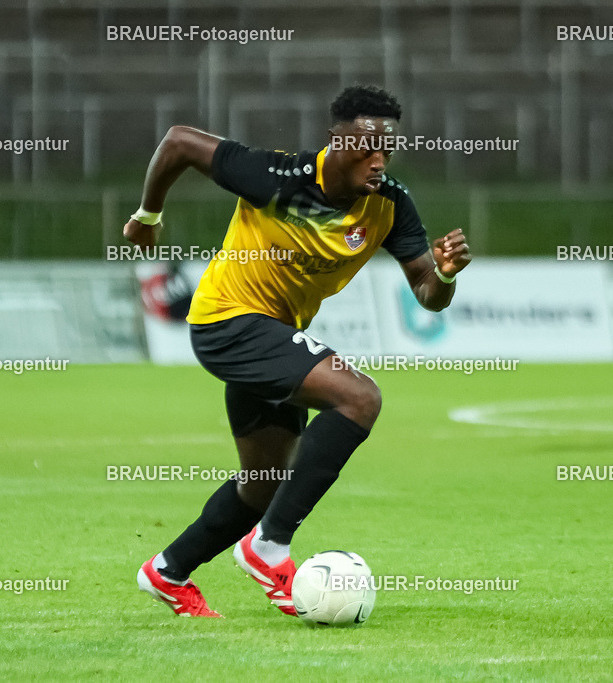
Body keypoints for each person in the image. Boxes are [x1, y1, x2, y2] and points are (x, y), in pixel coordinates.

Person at [126, 85, 472, 616]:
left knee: (264, 485)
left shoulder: (389, 204)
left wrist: (444, 274)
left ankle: (168, 571)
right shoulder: (275, 176)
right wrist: (148, 216)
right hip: (227, 321)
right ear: (336, 140)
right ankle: (268, 547)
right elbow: (178, 142)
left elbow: (428, 292)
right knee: (359, 398)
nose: (378, 161)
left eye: (387, 149)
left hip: (271, 335)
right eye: (367, 147)